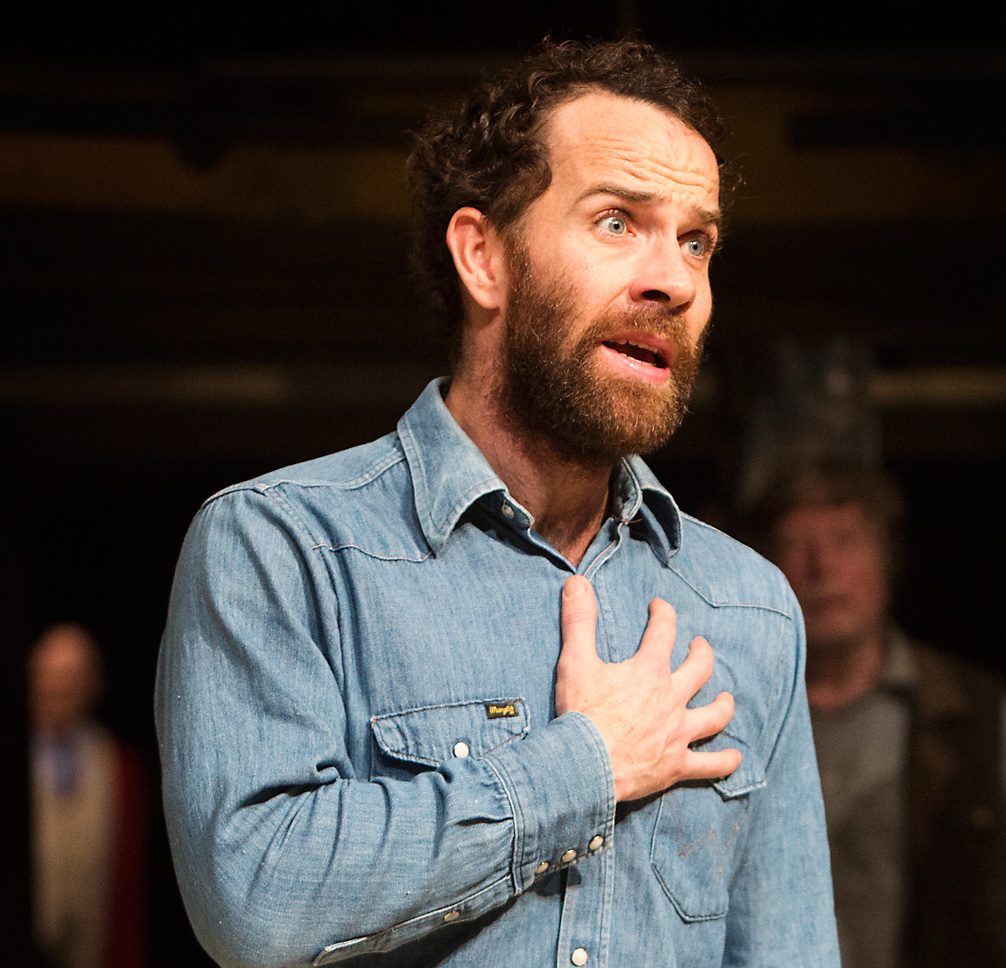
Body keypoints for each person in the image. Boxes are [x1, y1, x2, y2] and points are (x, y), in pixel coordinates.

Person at [156, 40, 837, 968]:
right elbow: (257, 899)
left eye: (696, 241)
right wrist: (586, 766)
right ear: (483, 258)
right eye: (615, 223)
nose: (674, 280)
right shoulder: (286, 547)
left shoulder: (749, 607)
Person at [745, 465, 1006, 968]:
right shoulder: (735, 715)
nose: (822, 567)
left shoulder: (970, 709)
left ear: (886, 560)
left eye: (847, 540)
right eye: (796, 543)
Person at [31, 623, 147, 968]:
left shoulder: (118, 766)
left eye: (71, 676)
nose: (58, 687)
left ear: (93, 684)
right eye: (48, 674)